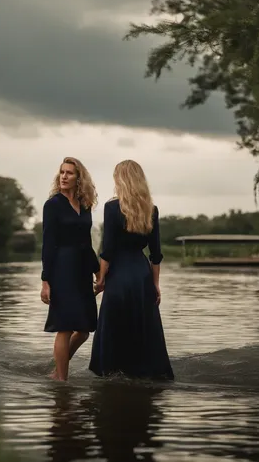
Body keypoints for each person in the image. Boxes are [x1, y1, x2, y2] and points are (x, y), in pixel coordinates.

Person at [89, 159, 174, 380]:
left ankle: (111, 371)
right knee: (143, 326)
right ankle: (145, 371)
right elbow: (155, 254)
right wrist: (155, 284)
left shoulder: (112, 207)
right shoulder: (151, 210)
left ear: (121, 180)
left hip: (119, 274)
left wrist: (100, 279)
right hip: (142, 273)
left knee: (114, 325)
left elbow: (107, 250)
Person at [40, 156, 100, 381]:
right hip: (62, 269)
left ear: (79, 178)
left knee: (84, 330)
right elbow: (48, 243)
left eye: (69, 173)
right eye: (62, 172)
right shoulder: (53, 205)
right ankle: (61, 379)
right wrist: (46, 280)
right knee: (64, 327)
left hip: (82, 271)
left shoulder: (85, 206)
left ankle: (59, 367)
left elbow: (87, 242)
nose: (64, 176)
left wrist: (97, 271)